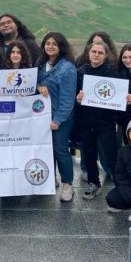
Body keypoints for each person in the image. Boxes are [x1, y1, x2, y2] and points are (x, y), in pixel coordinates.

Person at [75, 41, 120, 199]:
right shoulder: (81, 71)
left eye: (100, 53)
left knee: (111, 155)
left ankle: (120, 186)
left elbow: (118, 95)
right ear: (88, 53)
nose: (96, 55)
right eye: (94, 51)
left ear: (106, 55)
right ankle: (94, 183)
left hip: (106, 122)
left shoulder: (112, 72)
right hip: (86, 121)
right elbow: (75, 97)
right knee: (88, 154)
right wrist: (78, 99)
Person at [36, 32, 77, 202]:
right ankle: (50, 178)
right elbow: (33, 83)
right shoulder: (40, 64)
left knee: (61, 150)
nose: (50, 46)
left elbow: (68, 99)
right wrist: (39, 86)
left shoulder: (67, 68)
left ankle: (68, 184)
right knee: (46, 149)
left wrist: (57, 120)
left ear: (61, 47)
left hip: (60, 118)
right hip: (41, 116)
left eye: (54, 43)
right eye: (47, 43)